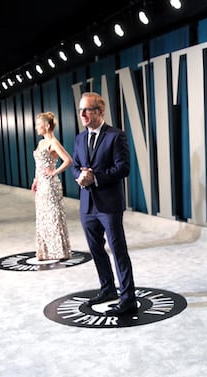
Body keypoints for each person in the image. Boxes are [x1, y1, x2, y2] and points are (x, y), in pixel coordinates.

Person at [71, 92, 137, 316]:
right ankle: (107, 288)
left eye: (87, 109)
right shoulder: (80, 138)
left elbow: (123, 168)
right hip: (87, 205)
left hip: (109, 204)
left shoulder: (116, 136)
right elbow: (75, 166)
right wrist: (79, 177)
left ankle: (128, 299)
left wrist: (95, 177)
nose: (82, 114)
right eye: (81, 109)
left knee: (118, 250)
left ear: (100, 111)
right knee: (95, 249)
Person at [31, 112, 72, 261]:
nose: (36, 128)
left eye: (38, 125)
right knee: (42, 216)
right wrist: (36, 180)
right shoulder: (41, 143)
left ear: (47, 126)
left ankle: (59, 251)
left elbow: (68, 160)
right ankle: (46, 251)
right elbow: (38, 165)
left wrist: (55, 171)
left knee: (53, 216)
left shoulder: (53, 143)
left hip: (50, 184)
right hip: (41, 183)